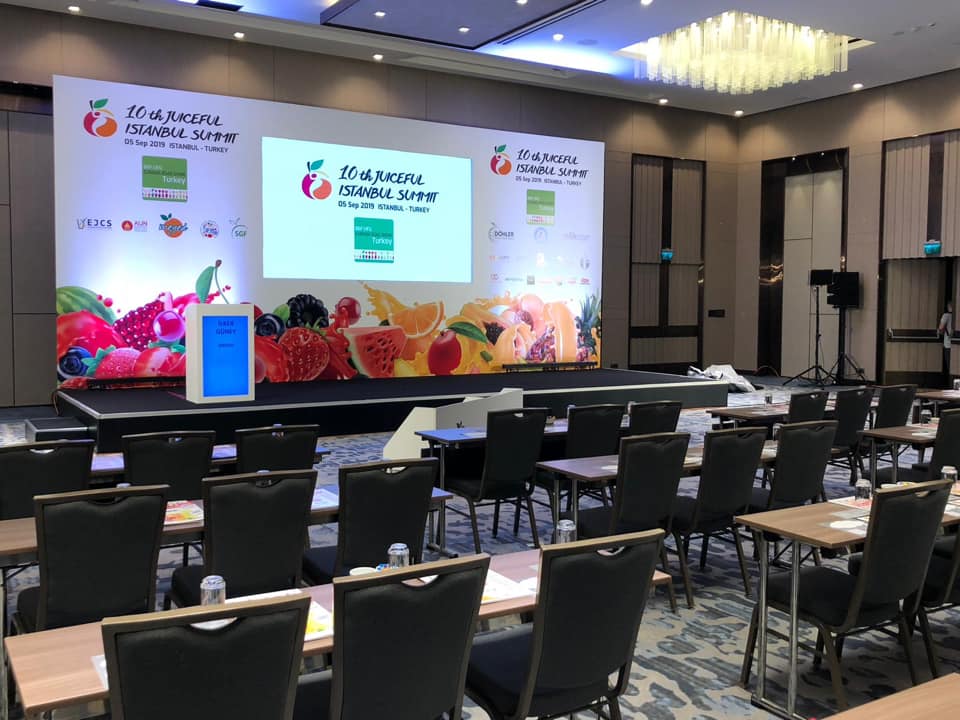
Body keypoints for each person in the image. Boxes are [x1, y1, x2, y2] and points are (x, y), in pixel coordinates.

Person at [939, 301, 953, 387]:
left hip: (948, 343)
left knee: (949, 365)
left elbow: (941, 328)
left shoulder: (946, 316)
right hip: (956, 343)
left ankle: (949, 384)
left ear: (948, 306)